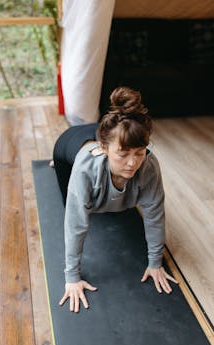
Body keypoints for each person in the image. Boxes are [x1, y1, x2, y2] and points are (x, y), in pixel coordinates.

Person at [53, 86, 178, 313]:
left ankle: (118, 146)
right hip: (70, 144)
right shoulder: (86, 172)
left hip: (110, 135)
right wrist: (72, 277)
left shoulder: (148, 166)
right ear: (105, 149)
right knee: (69, 202)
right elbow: (75, 226)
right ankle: (60, 163)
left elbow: (154, 217)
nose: (132, 163)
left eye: (139, 153)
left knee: (123, 146)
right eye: (123, 155)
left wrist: (155, 262)